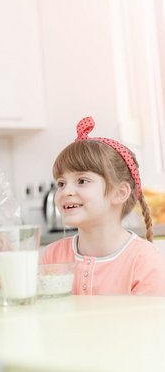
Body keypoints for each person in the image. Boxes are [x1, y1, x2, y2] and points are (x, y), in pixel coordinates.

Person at [41, 116, 165, 295]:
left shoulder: (145, 261)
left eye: (82, 181)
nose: (66, 191)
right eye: (61, 183)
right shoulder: (53, 255)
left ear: (119, 193)